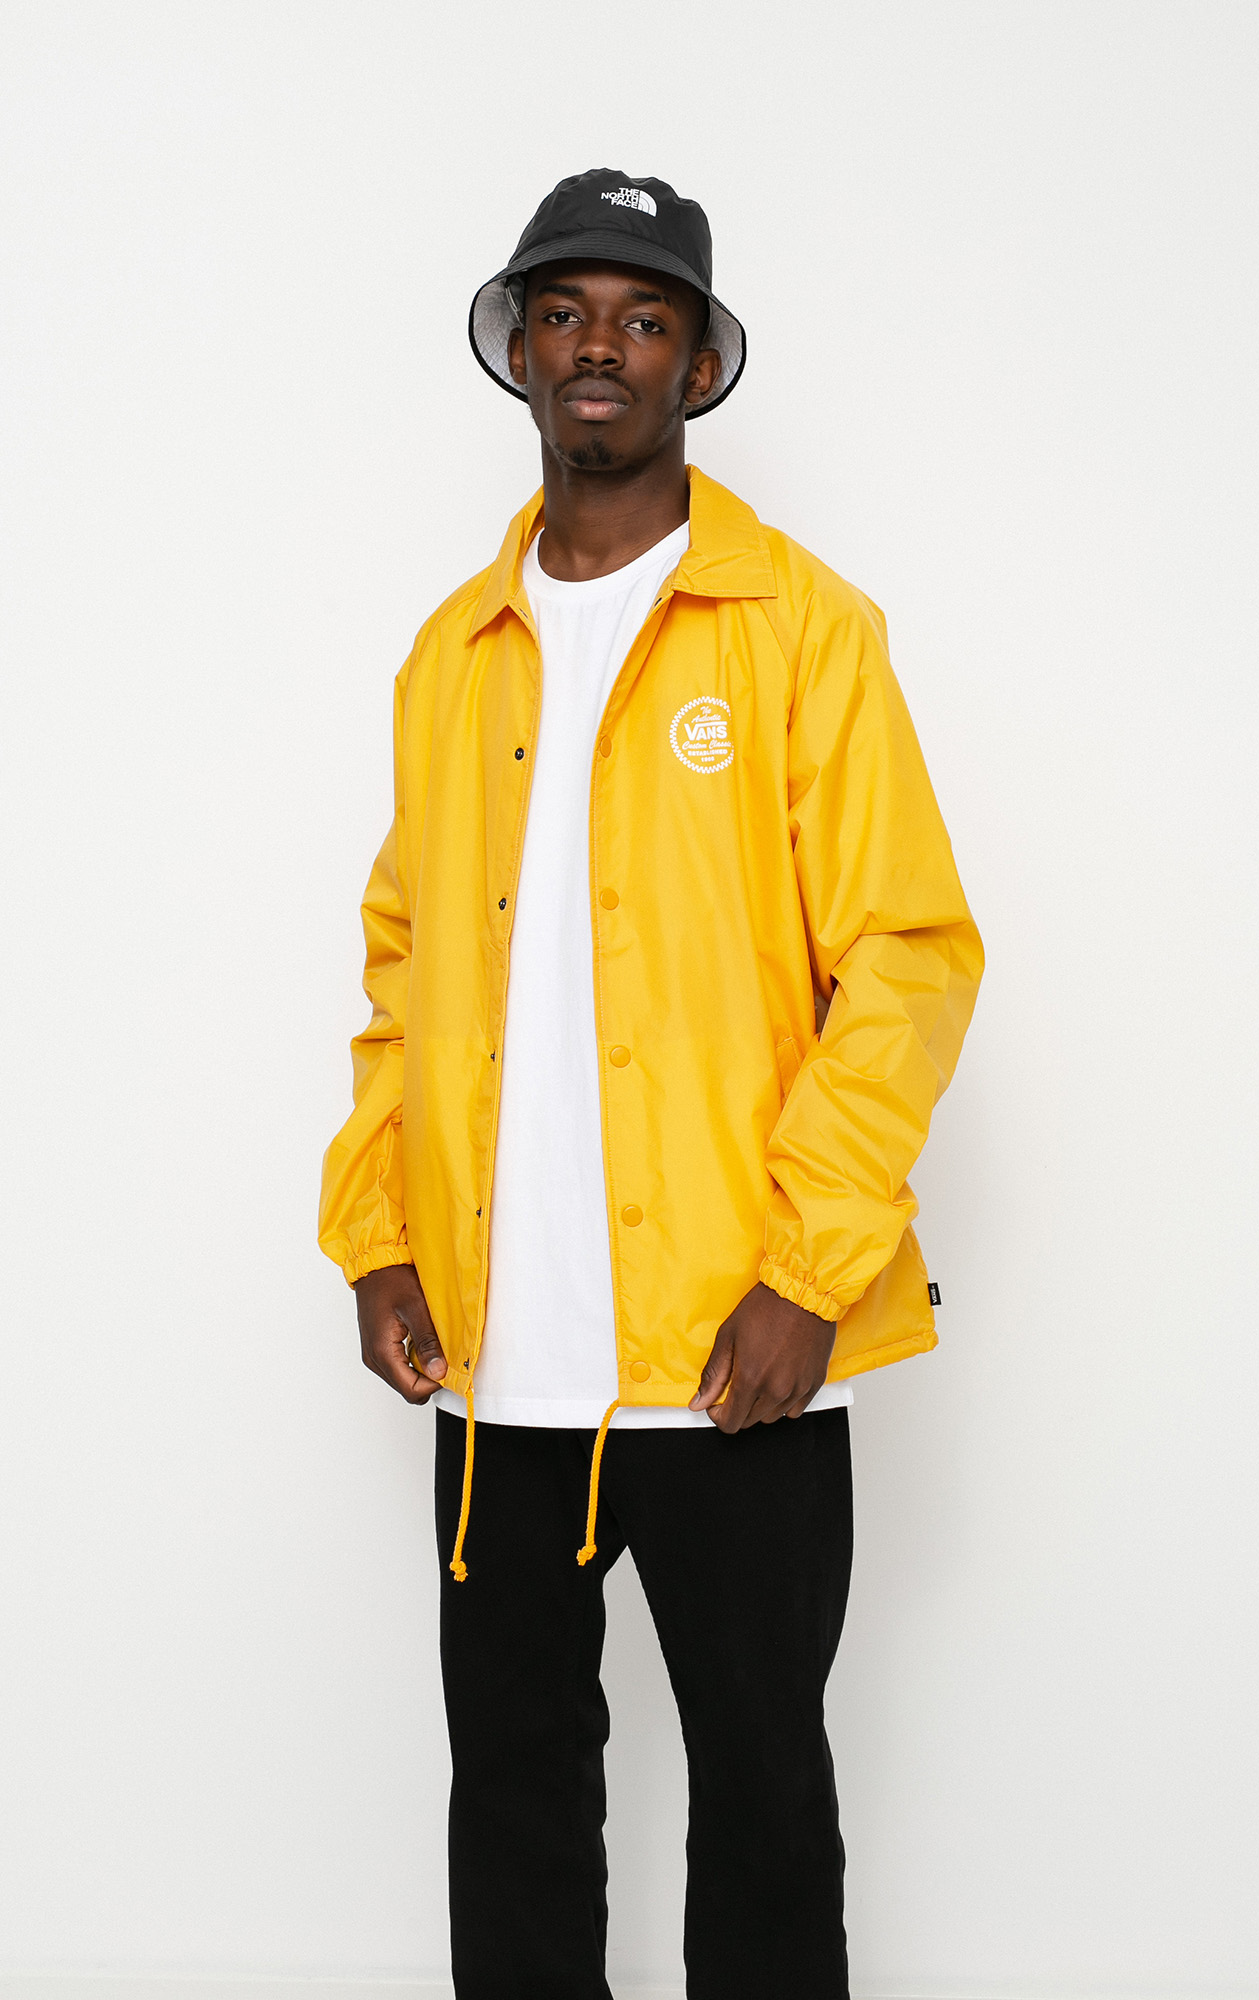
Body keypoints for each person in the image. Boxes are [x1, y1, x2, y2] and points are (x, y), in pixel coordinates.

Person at [318, 168, 983, 2000]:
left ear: (698, 366)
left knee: (763, 1806)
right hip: (495, 1362)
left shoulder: (802, 628)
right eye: (564, 312)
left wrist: (808, 1270)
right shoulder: (451, 657)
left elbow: (908, 959)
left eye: (643, 316)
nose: (597, 345)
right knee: (515, 1805)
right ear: (519, 351)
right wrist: (379, 1235)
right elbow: (404, 973)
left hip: (731, 1354)